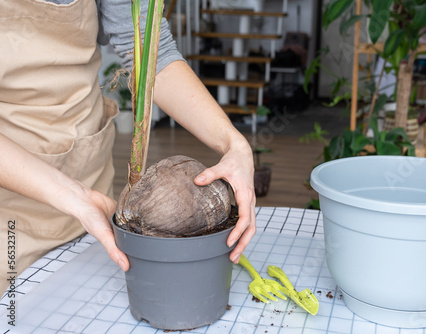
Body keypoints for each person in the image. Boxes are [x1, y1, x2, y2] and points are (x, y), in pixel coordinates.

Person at [0, 0, 256, 294]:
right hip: (12, 212)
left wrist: (234, 143)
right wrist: (70, 194)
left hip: (92, 191)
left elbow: (149, 49)